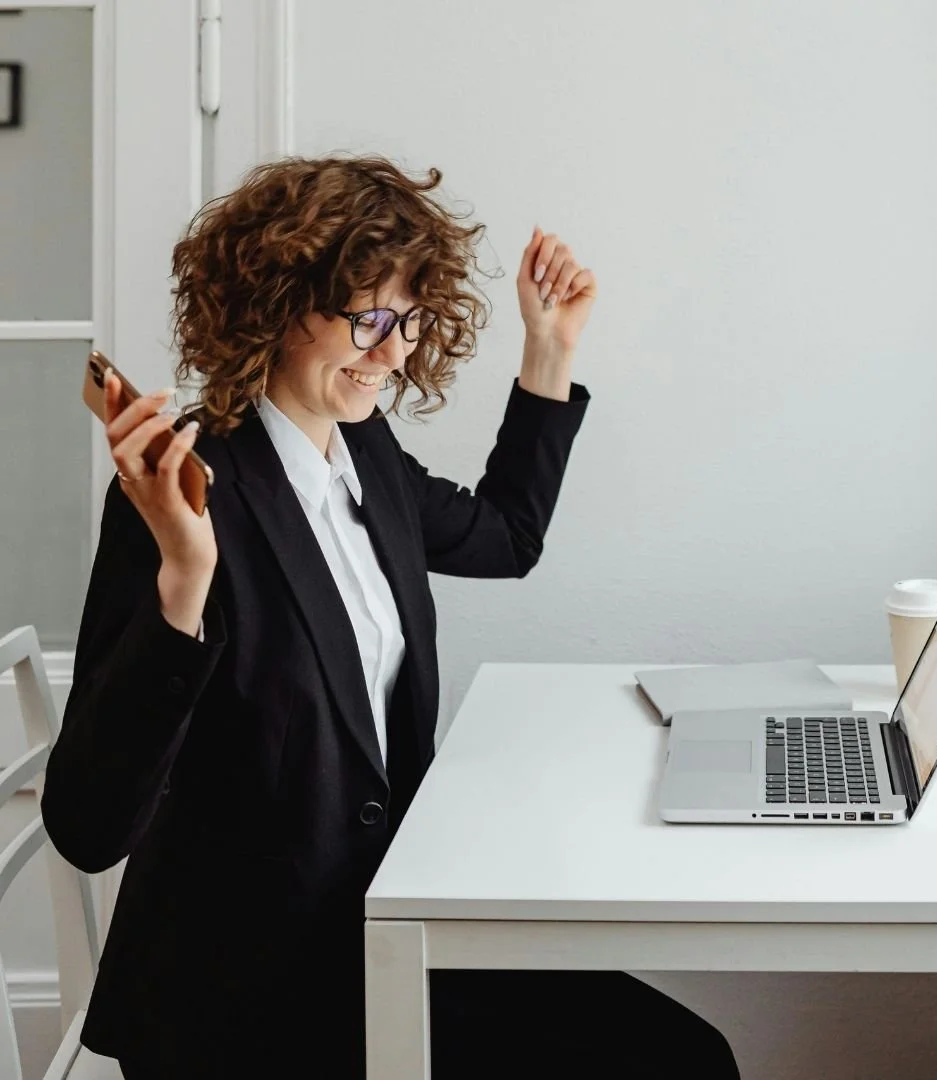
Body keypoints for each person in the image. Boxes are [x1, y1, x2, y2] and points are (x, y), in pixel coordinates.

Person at [41, 155, 741, 1077]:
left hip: (383, 923)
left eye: (408, 320)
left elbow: (507, 538)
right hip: (254, 993)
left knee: (686, 1053)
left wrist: (549, 350)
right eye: (370, 319)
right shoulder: (188, 499)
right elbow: (89, 824)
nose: (396, 350)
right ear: (277, 303)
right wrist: (185, 575)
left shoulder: (364, 453)